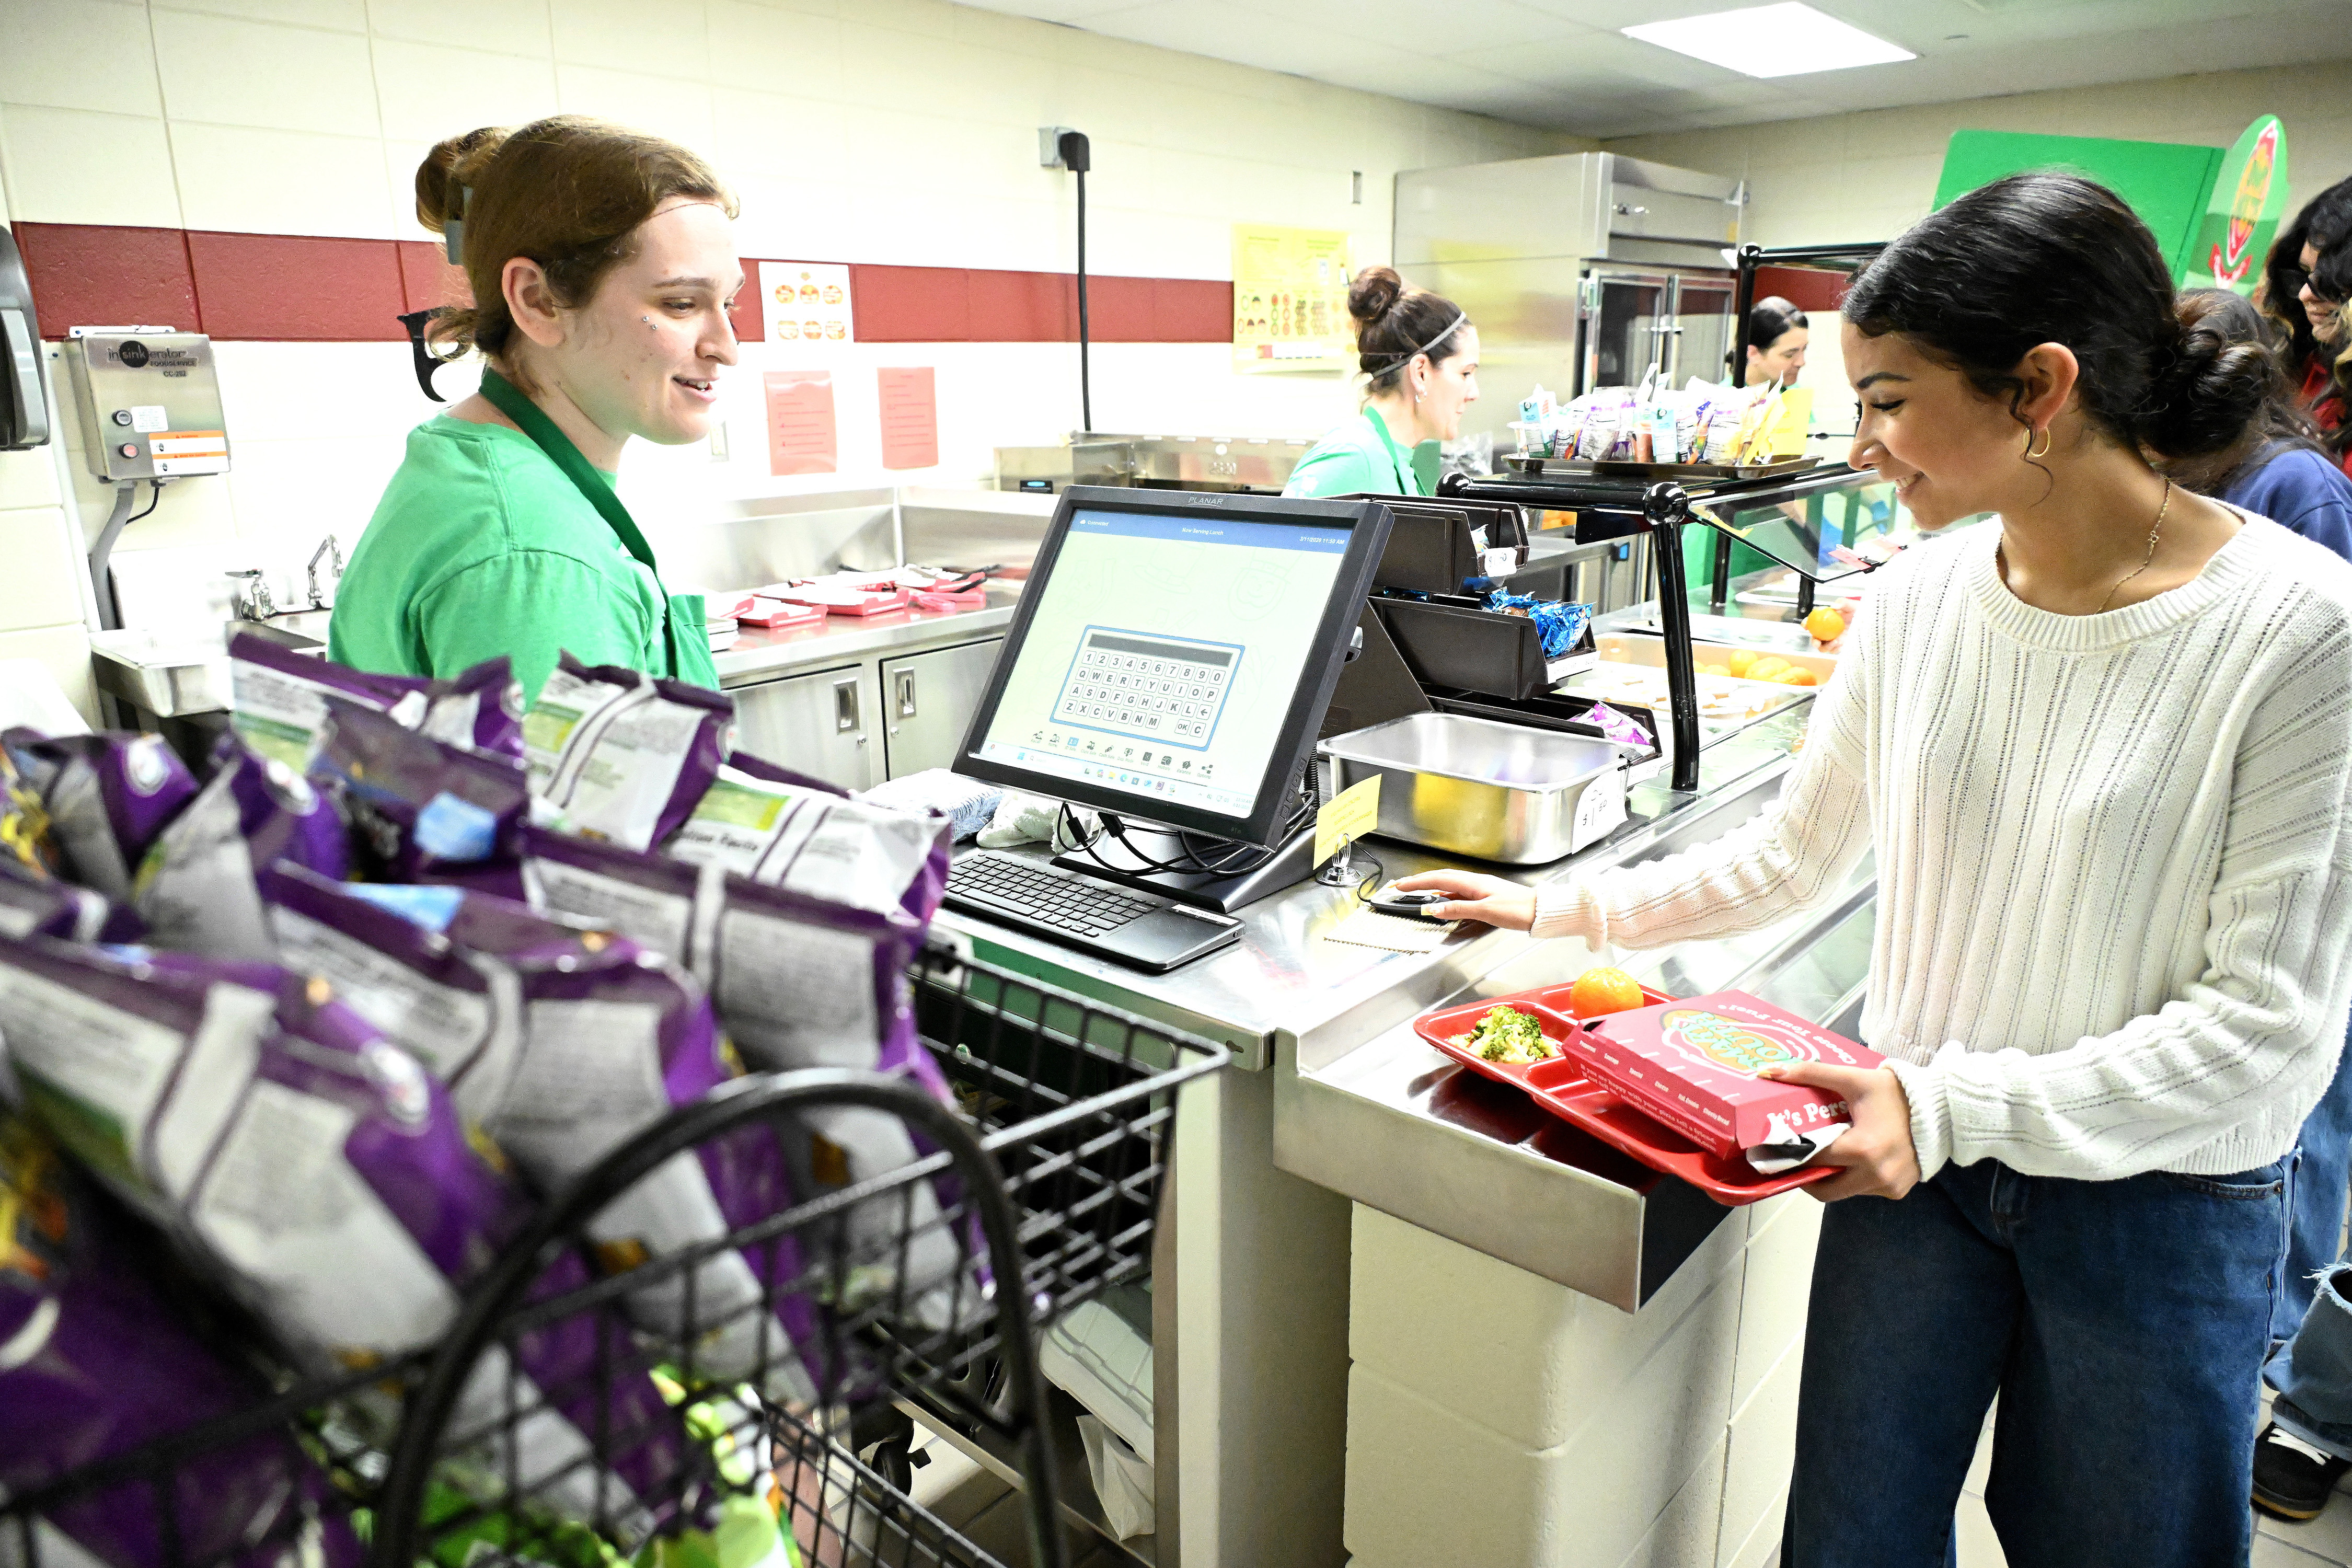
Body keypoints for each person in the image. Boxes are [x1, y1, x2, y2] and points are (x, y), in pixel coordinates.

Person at [1399, 172, 2352, 1566]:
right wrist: (1561, 905)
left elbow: (2264, 1028)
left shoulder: (2298, 629)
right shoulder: (1912, 603)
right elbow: (1793, 854)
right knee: (1852, 1533)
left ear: (2038, 387)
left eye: (1888, 401)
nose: (1860, 446)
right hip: (1915, 1176)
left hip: (2158, 1201)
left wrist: (1941, 1103)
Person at [330, 116, 741, 698]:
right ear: (538, 301)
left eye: (729, 304)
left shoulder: (468, 467)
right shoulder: (534, 560)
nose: (726, 347)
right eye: (680, 303)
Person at [1283, 268, 1478, 499]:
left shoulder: (1398, 460)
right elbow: (1276, 524)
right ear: (1421, 373)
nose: (1474, 393)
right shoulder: (1352, 459)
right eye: (1466, 373)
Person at [1741, 295, 1809, 387]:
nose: (1801, 362)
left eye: (1804, 349)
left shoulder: (1795, 393)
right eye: (1789, 355)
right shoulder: (1726, 395)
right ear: (1754, 354)